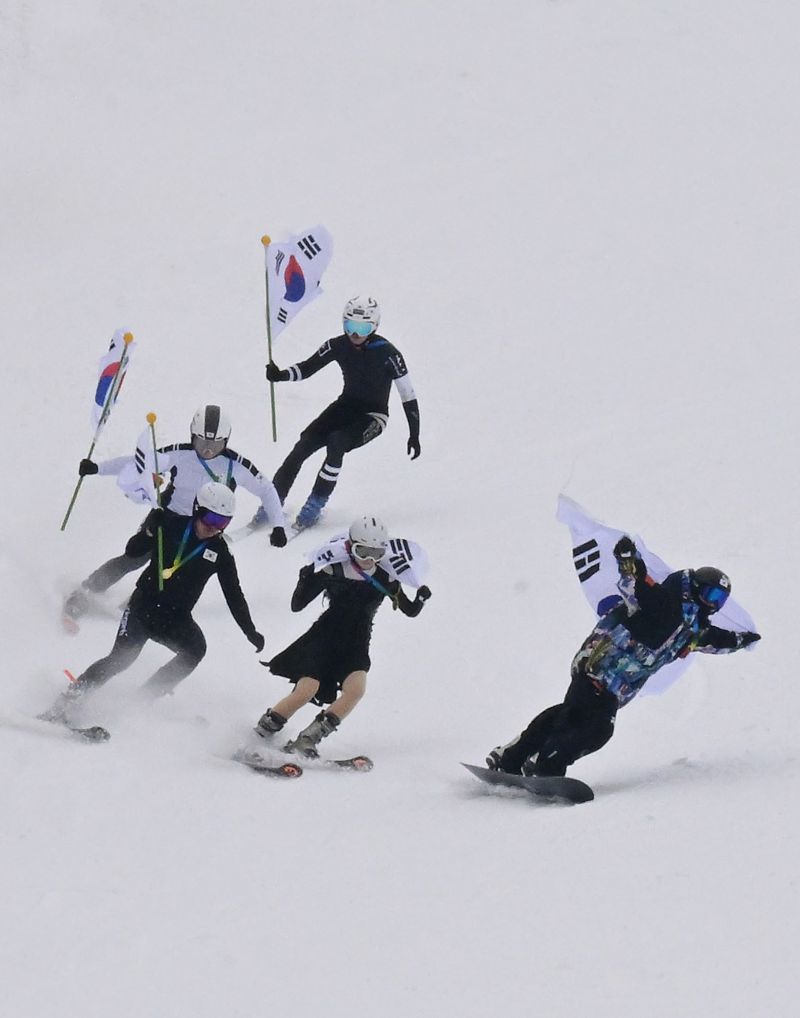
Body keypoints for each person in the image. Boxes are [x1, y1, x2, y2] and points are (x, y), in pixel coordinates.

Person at [486, 537, 761, 778]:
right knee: (597, 729)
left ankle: (512, 757)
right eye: (710, 594)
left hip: (615, 682)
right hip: (600, 665)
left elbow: (714, 641)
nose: (713, 604)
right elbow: (636, 583)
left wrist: (741, 640)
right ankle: (546, 764)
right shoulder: (666, 598)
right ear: (697, 587)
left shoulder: (693, 630)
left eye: (720, 600)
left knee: (571, 715)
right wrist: (628, 557)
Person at [45, 482, 265, 723]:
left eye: (223, 522)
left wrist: (249, 630)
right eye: (210, 518)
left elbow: (234, 594)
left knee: (195, 649)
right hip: (142, 609)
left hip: (175, 618)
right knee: (121, 659)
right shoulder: (170, 526)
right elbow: (132, 551)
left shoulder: (220, 552)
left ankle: (142, 700)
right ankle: (67, 702)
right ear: (197, 509)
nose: (214, 527)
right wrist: (149, 530)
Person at [64, 404, 286, 621]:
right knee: (134, 557)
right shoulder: (180, 454)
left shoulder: (235, 465)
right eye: (201, 442)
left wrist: (279, 525)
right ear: (192, 436)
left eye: (215, 445)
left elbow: (266, 489)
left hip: (203, 527)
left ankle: (136, 605)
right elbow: (140, 464)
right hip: (168, 518)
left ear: (225, 442)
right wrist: (98, 468)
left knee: (174, 570)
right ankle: (85, 591)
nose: (207, 450)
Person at [253, 515, 431, 757]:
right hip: (324, 638)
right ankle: (262, 732)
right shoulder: (333, 568)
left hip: (356, 642)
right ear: (350, 546)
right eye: (363, 551)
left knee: (356, 690)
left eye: (376, 553)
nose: (369, 559)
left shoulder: (387, 576)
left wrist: (420, 598)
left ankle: (309, 738)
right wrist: (306, 577)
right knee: (307, 689)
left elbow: (408, 609)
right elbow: (298, 604)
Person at [262, 295, 422, 529]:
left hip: (373, 416)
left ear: (374, 326)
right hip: (346, 406)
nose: (355, 334)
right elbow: (308, 368)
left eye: (362, 328)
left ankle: (315, 504)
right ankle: (273, 502)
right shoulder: (338, 345)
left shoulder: (388, 353)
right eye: (350, 327)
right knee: (304, 444)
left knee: (337, 443)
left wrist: (414, 433)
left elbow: (407, 395)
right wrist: (281, 375)